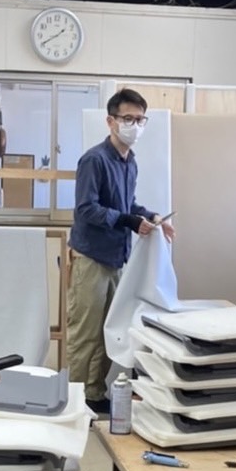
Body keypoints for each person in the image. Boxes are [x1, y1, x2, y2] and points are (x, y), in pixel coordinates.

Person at [66, 88, 175, 414]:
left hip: (116, 258)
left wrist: (152, 216)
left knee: (109, 331)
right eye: (128, 119)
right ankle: (74, 401)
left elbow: (127, 205)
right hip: (91, 258)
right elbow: (86, 209)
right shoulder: (94, 160)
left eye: (140, 120)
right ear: (110, 121)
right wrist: (128, 220)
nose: (135, 126)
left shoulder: (130, 162)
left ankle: (94, 394)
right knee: (85, 334)